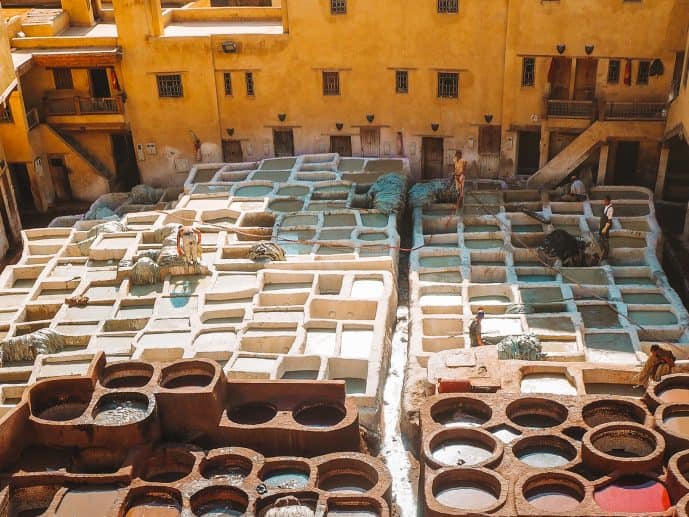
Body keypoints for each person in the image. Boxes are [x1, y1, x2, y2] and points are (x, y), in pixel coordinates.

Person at [598, 195, 614, 260]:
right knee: (601, 239)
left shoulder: (610, 208)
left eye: (605, 201)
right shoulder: (606, 207)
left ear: (608, 201)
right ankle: (602, 253)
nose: (604, 202)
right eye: (604, 201)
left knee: (605, 240)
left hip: (605, 226)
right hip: (602, 225)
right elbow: (603, 216)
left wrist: (605, 228)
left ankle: (606, 256)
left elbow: (609, 220)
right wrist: (599, 224)